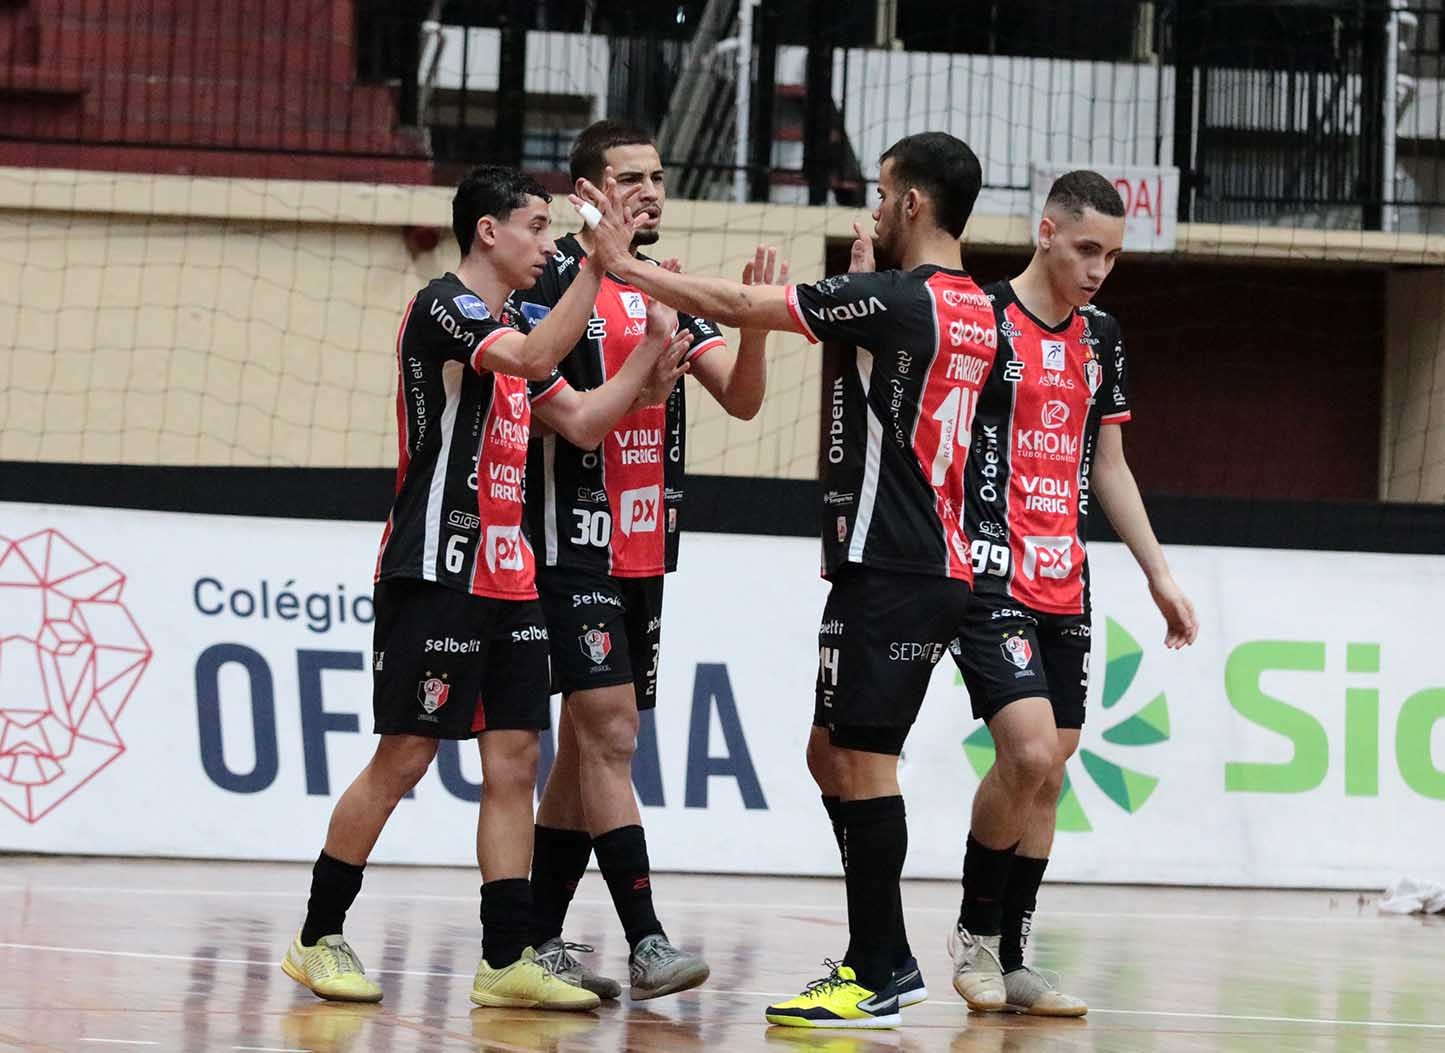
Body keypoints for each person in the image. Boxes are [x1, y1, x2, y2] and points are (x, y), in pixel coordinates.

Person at [584, 131, 993, 1029]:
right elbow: (887, 396)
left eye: (883, 194)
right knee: (830, 754)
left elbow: (740, 303)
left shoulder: (898, 298)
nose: (876, 208)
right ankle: (871, 955)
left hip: (892, 563)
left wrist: (628, 268)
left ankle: (880, 967)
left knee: (863, 761)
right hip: (925, 560)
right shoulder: (974, 309)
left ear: (914, 204)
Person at [279, 164, 689, 1010]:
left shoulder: (506, 324)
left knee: (515, 760)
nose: (547, 242)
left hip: (513, 574)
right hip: (436, 567)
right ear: (488, 233)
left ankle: (506, 956)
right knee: (405, 755)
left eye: (552, 228)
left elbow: (580, 418)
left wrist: (650, 349)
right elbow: (540, 353)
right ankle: (318, 933)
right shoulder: (447, 308)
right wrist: (598, 267)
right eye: (536, 227)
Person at [513, 121, 785, 1001]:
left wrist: (754, 327)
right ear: (586, 193)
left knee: (584, 752)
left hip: (642, 548)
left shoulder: (668, 287)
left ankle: (535, 940)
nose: (651, 193)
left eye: (657, 178)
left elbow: (742, 403)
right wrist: (642, 365)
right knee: (613, 732)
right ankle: (646, 938)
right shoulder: (551, 280)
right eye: (631, 178)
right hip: (565, 544)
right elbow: (574, 412)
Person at [945, 170, 1199, 1016]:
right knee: (1024, 752)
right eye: (1086, 248)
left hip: (1065, 575)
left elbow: (1109, 465)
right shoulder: (981, 317)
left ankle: (1015, 956)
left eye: (1113, 256)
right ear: (1044, 231)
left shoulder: (1103, 335)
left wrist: (1157, 572)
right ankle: (974, 937)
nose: (1098, 268)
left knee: (1050, 772)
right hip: (987, 571)